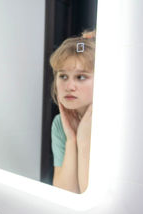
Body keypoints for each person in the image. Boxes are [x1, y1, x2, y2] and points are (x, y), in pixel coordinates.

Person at [50, 30, 95, 194]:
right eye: (63, 76)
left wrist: (84, 143)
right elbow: (65, 193)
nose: (69, 86)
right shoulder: (60, 124)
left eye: (81, 77)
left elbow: (89, 193)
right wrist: (72, 140)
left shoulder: (113, 123)